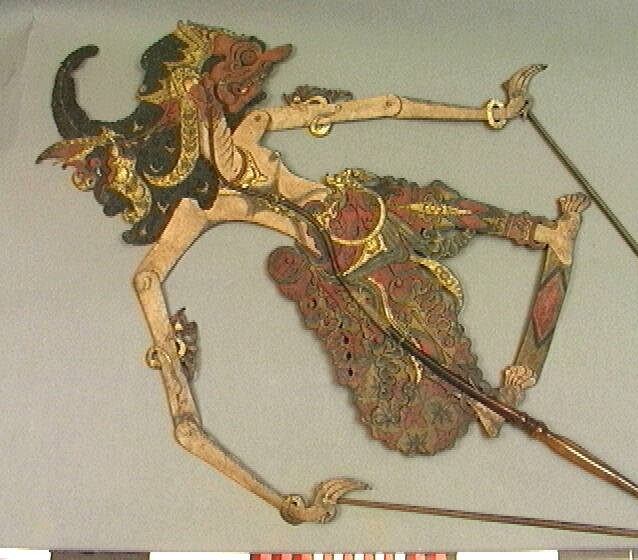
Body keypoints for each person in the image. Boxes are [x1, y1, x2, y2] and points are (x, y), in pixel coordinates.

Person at [39, 21, 588, 524]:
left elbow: (385, 106)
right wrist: (287, 505)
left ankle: (541, 237)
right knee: (400, 304)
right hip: (350, 256)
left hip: (363, 212)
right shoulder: (201, 205)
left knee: (406, 209)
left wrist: (492, 113)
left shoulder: (252, 127)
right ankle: (482, 390)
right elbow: (185, 427)